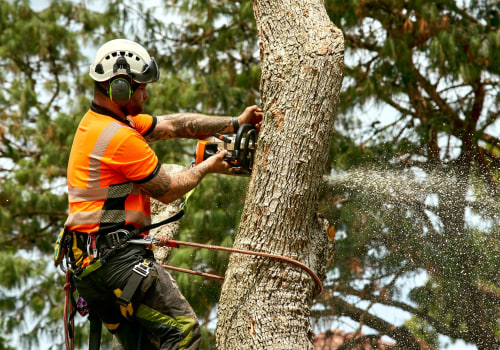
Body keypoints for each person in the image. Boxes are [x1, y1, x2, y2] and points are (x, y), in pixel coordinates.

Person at [60, 38, 262, 349]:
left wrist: (236, 122)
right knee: (183, 333)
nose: (146, 93)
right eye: (140, 87)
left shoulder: (101, 122)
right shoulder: (119, 138)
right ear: (120, 89)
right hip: (117, 263)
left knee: (149, 344)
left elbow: (176, 124)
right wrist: (208, 166)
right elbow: (167, 190)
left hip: (91, 267)